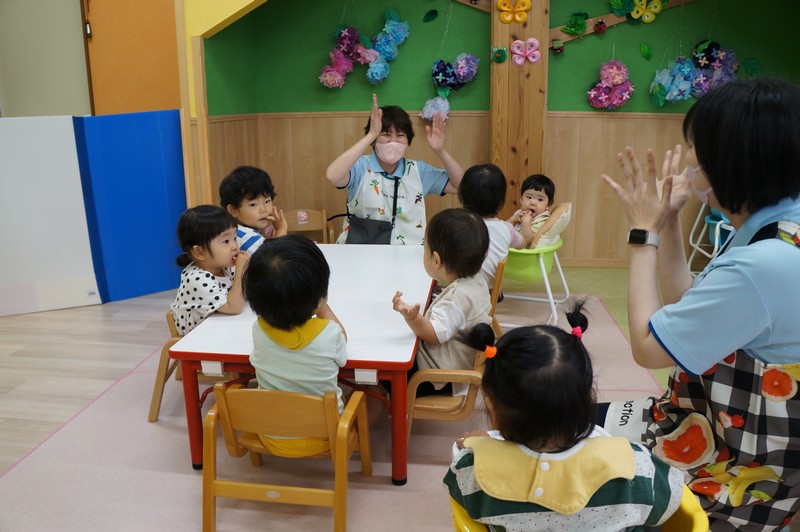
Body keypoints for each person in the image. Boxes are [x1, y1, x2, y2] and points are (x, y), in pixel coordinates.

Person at [601, 78, 800, 530]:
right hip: (709, 424)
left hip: (741, 475)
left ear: (727, 164)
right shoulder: (777, 229)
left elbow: (648, 347)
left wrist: (643, 235)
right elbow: (687, 306)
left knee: (573, 469)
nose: (689, 161)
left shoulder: (762, 266)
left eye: (695, 150)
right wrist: (670, 220)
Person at [444, 300, 685, 530]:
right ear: (587, 396)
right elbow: (672, 502)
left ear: (492, 403)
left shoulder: (473, 469)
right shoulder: (636, 467)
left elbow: (463, 500)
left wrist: (482, 448)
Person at [243, 234, 348, 455]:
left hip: (270, 433)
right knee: (370, 395)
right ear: (320, 294)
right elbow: (343, 347)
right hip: (326, 436)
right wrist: (323, 307)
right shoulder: (329, 333)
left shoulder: (258, 330)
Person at [325, 93, 464, 245]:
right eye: (386, 134)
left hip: (408, 254)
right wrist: (371, 134)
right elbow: (333, 175)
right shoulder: (361, 167)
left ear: (408, 141)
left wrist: (440, 151)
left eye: (400, 135)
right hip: (362, 252)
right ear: (374, 140)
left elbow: (462, 186)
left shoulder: (418, 171)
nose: (393, 141)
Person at [392, 208, 491, 396]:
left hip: (436, 377)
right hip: (453, 366)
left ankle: (381, 407)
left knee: (383, 371)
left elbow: (433, 335)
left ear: (436, 260)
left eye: (425, 249)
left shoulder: (456, 299)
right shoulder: (478, 281)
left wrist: (413, 318)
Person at [170, 205, 249, 335]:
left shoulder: (225, 267)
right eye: (226, 241)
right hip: (198, 341)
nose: (235, 246)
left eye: (234, 238)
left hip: (222, 328)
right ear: (199, 252)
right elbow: (234, 307)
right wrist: (241, 270)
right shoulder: (196, 278)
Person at [458, 163, 526, 289]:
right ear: (502, 202)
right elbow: (523, 243)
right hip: (490, 289)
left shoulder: (458, 226)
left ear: (462, 198)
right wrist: (525, 222)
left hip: (462, 289)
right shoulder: (507, 228)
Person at [219, 165, 287, 255]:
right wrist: (281, 230)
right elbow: (275, 258)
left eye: (267, 201)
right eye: (253, 205)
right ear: (233, 210)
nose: (263, 210)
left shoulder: (237, 231)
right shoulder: (247, 237)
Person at [507, 173, 555, 248]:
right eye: (529, 197)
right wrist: (512, 220)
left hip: (525, 254)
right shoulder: (519, 213)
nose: (533, 203)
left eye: (540, 199)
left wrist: (526, 222)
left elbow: (528, 241)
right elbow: (503, 231)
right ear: (521, 199)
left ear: (548, 205)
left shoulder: (543, 220)